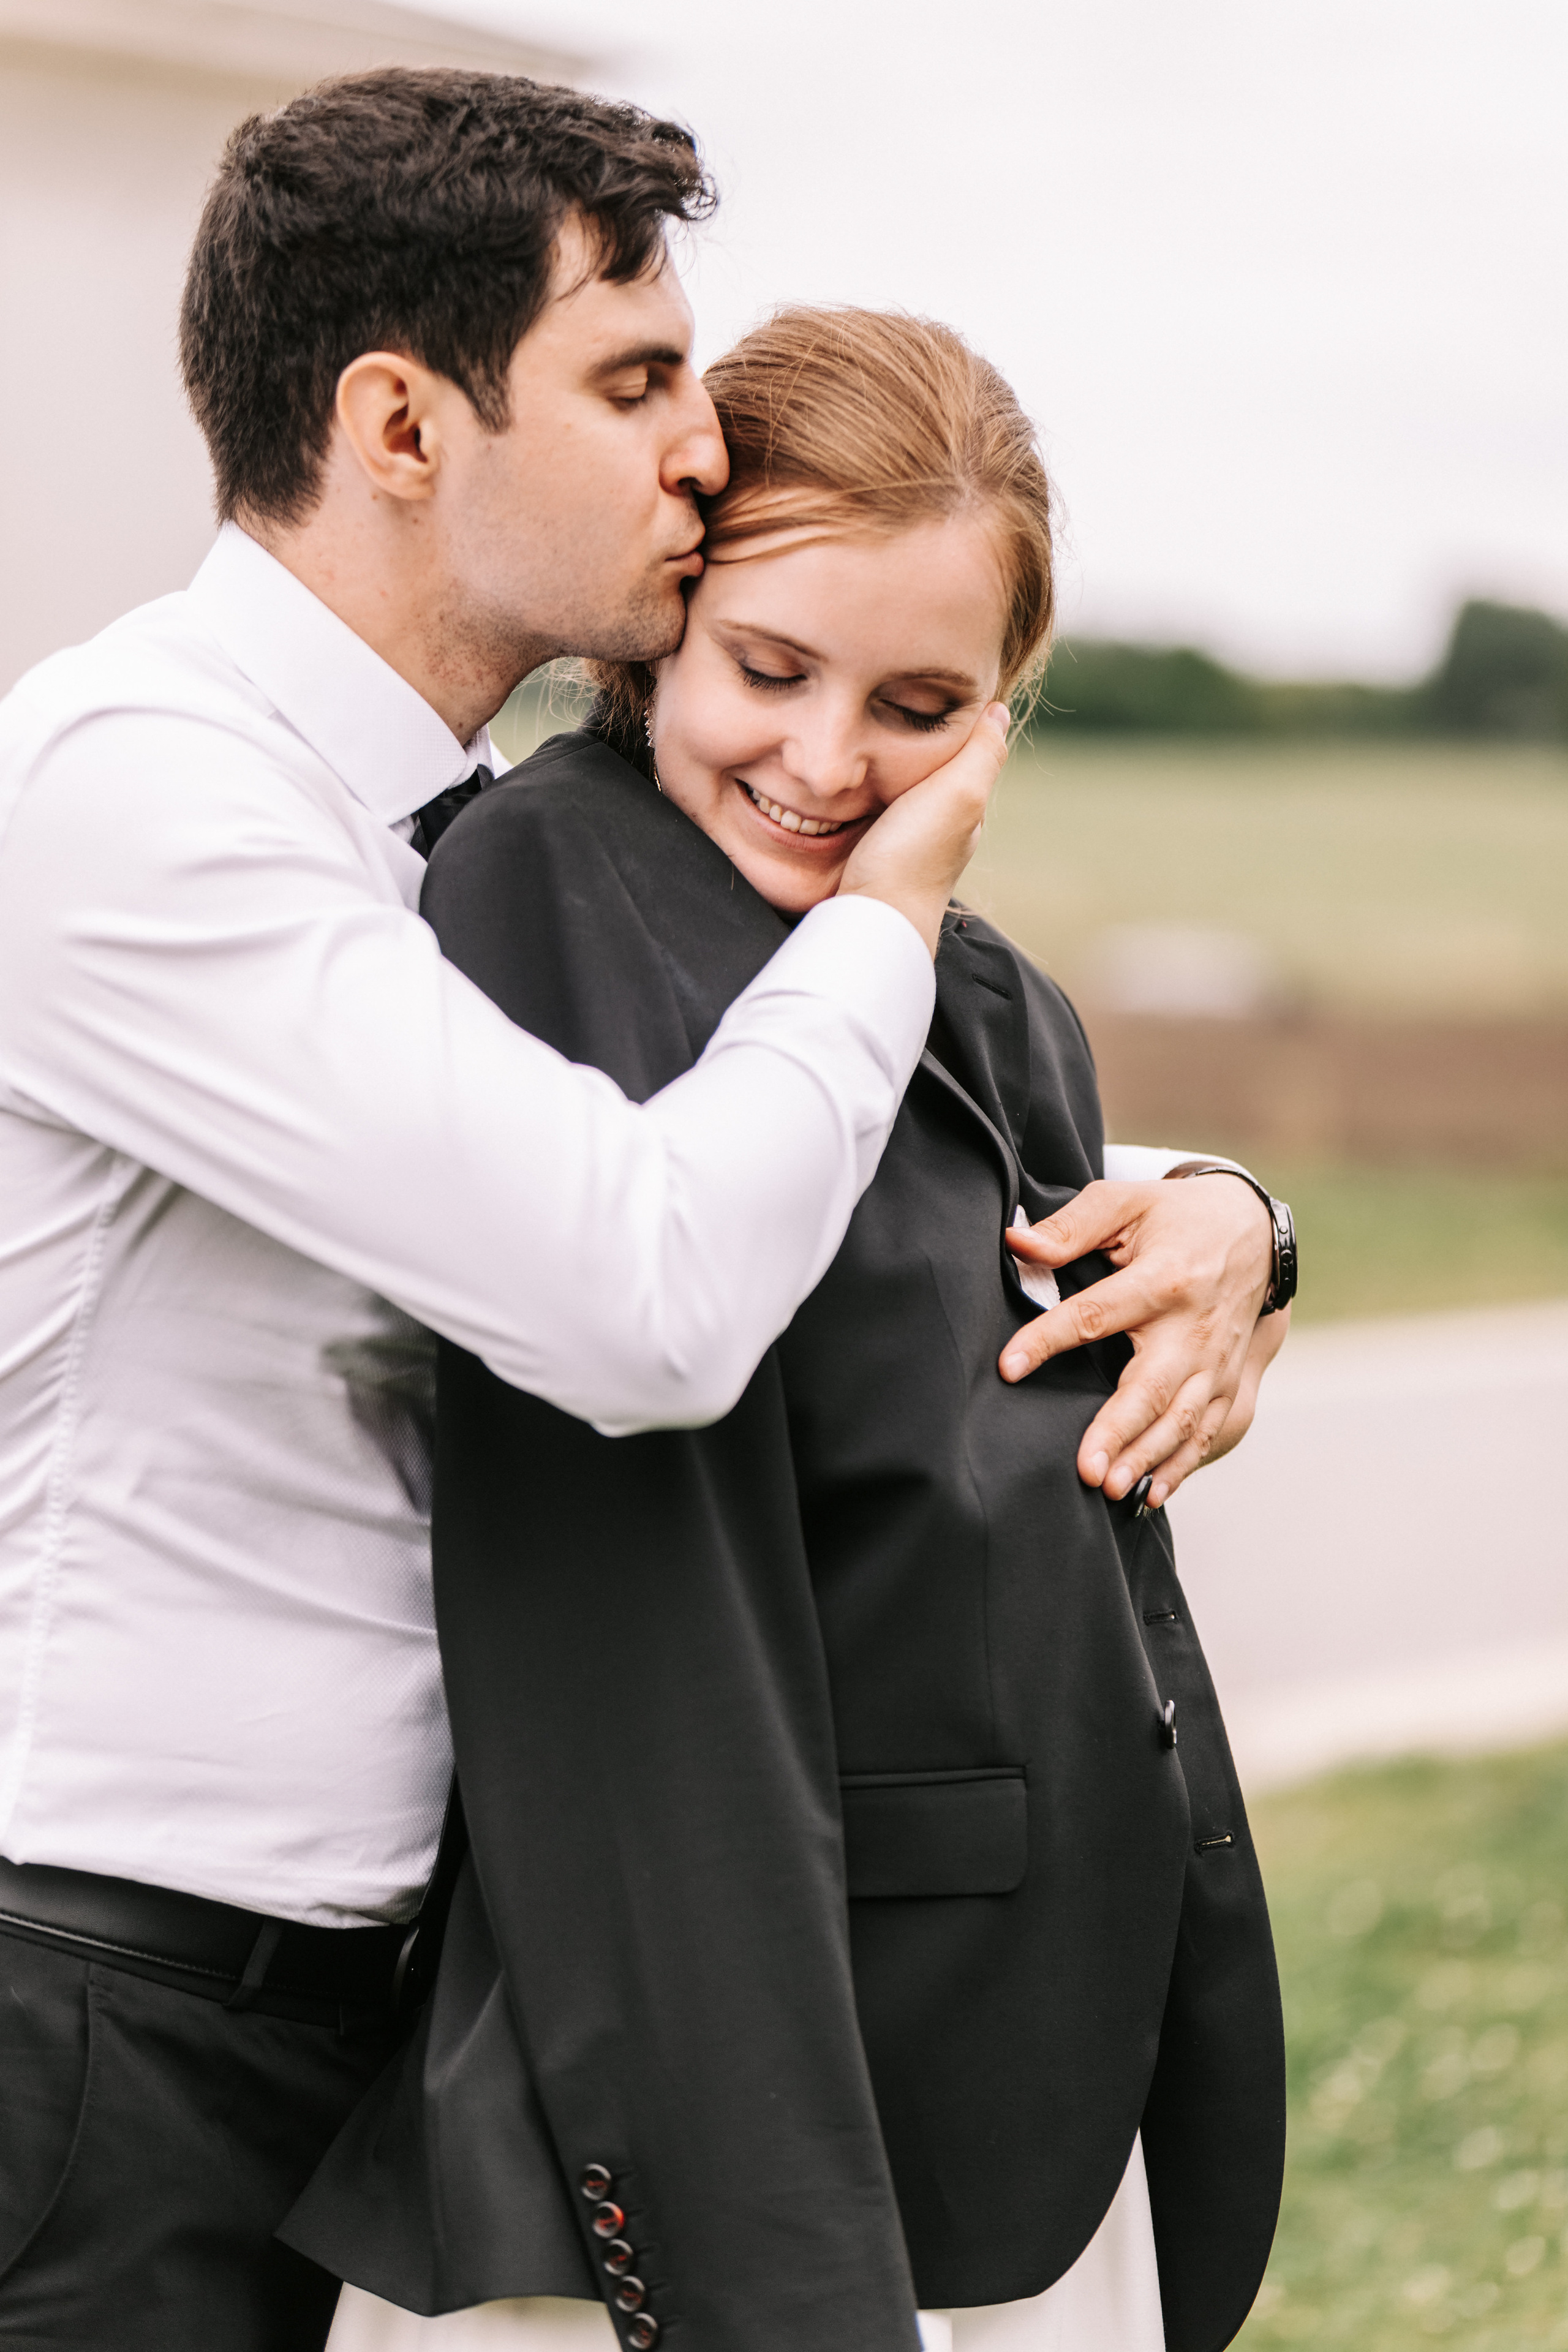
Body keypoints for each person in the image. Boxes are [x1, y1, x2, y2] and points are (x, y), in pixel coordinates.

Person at [0, 72, 1278, 2352]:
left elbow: (748, 1180)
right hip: (100, 1985)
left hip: (317, 1993)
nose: (700, 441)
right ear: (403, 422)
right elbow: (644, 1285)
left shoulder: (418, 826)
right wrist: (893, 899)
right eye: (635, 378)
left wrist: (1227, 1210)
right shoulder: (145, 794)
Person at [292, 309, 1289, 2352]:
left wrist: (1241, 1220)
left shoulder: (989, 997)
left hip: (1020, 2092)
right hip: (743, 2134)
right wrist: (775, 2273)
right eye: (770, 670)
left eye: (921, 704)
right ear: (660, 622)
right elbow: (635, 1647)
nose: (831, 765)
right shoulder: (542, 895)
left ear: (1005, 713)